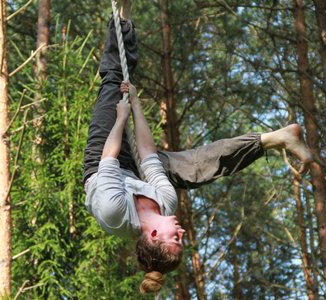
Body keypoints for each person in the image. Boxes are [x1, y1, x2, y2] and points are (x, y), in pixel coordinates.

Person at [82, 0, 313, 295]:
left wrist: (122, 116)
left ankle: (122, 15)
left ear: (153, 235)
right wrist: (136, 105)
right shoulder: (165, 204)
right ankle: (273, 139)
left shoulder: (114, 212)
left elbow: (109, 156)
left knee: (114, 79)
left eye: (174, 239)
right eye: (182, 239)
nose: (181, 233)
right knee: (193, 166)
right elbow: (149, 155)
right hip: (135, 173)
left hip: (103, 163)